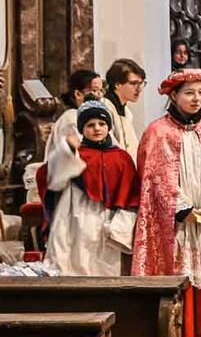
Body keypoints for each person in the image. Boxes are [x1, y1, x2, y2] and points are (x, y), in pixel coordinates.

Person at [132, 68, 201, 337]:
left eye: (200, 93)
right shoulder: (157, 132)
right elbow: (153, 178)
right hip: (176, 224)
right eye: (189, 93)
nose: (195, 98)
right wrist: (182, 207)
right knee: (183, 276)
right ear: (174, 95)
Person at [41, 99, 139, 277]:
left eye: (102, 123)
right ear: (82, 129)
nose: (97, 128)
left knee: (105, 267)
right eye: (90, 124)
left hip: (108, 220)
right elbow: (52, 177)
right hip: (75, 216)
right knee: (74, 262)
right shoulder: (76, 154)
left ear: (108, 127)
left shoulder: (121, 157)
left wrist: (122, 224)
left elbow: (131, 194)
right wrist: (68, 150)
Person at [49, 69, 105, 151]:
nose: (100, 95)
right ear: (78, 94)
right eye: (95, 90)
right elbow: (84, 152)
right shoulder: (71, 118)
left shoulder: (98, 115)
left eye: (101, 90)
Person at [104, 57, 146, 158]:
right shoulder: (105, 109)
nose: (139, 89)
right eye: (133, 83)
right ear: (117, 84)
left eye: (141, 83)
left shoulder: (127, 112)